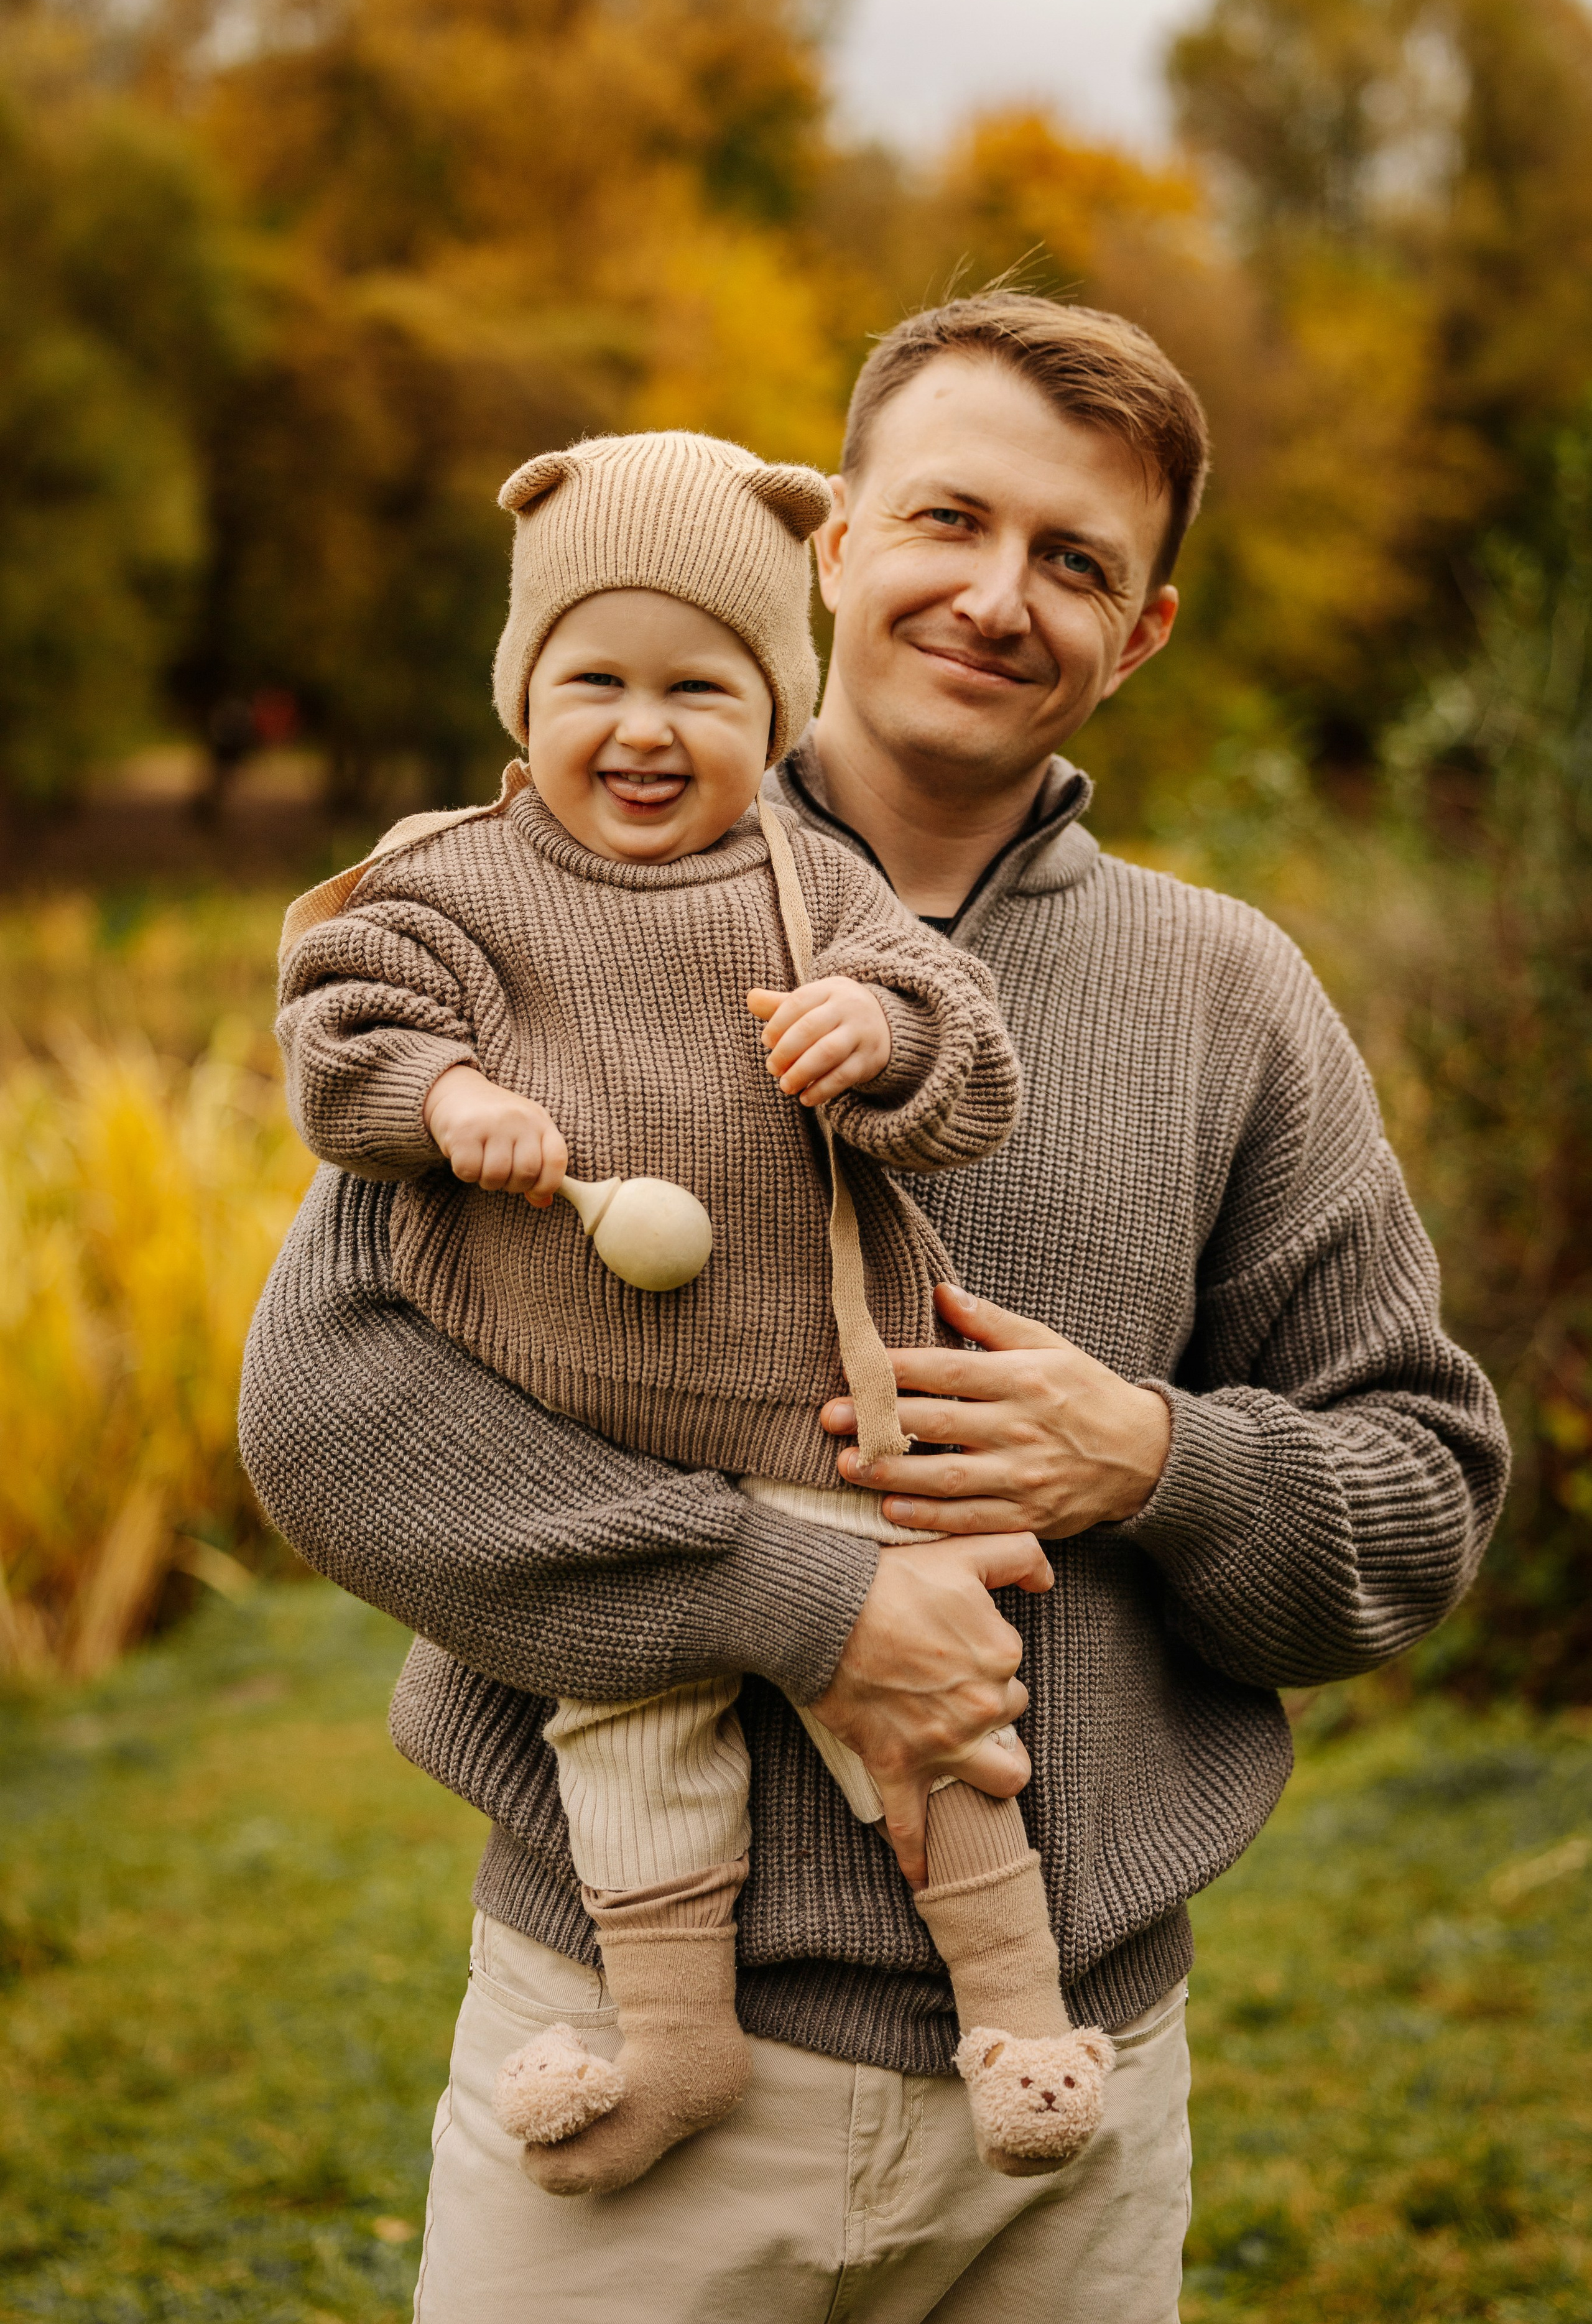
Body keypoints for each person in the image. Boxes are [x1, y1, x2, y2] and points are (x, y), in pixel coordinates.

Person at [240, 292, 1509, 2324]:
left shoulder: (1229, 993)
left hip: (1069, 2118)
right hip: (629, 2067)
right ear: (831, 547)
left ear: (1144, 629)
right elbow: (330, 1413)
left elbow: (1421, 1496)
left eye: (1077, 562)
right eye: (950, 521)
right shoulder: (543, 896)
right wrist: (798, 1598)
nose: (1000, 599)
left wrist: (1159, 1459)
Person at [271, 429, 1114, 2197]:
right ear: (523, 692)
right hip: (590, 1470)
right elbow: (341, 1028)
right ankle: (674, 2043)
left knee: (941, 1720)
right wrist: (441, 1100)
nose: (644, 729)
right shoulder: (451, 881)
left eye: (701, 689)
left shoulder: (812, 884)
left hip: (810, 1416)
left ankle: (1022, 2016)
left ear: (774, 706)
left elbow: (967, 1061)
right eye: (596, 679)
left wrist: (878, 1043)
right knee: (628, 1747)